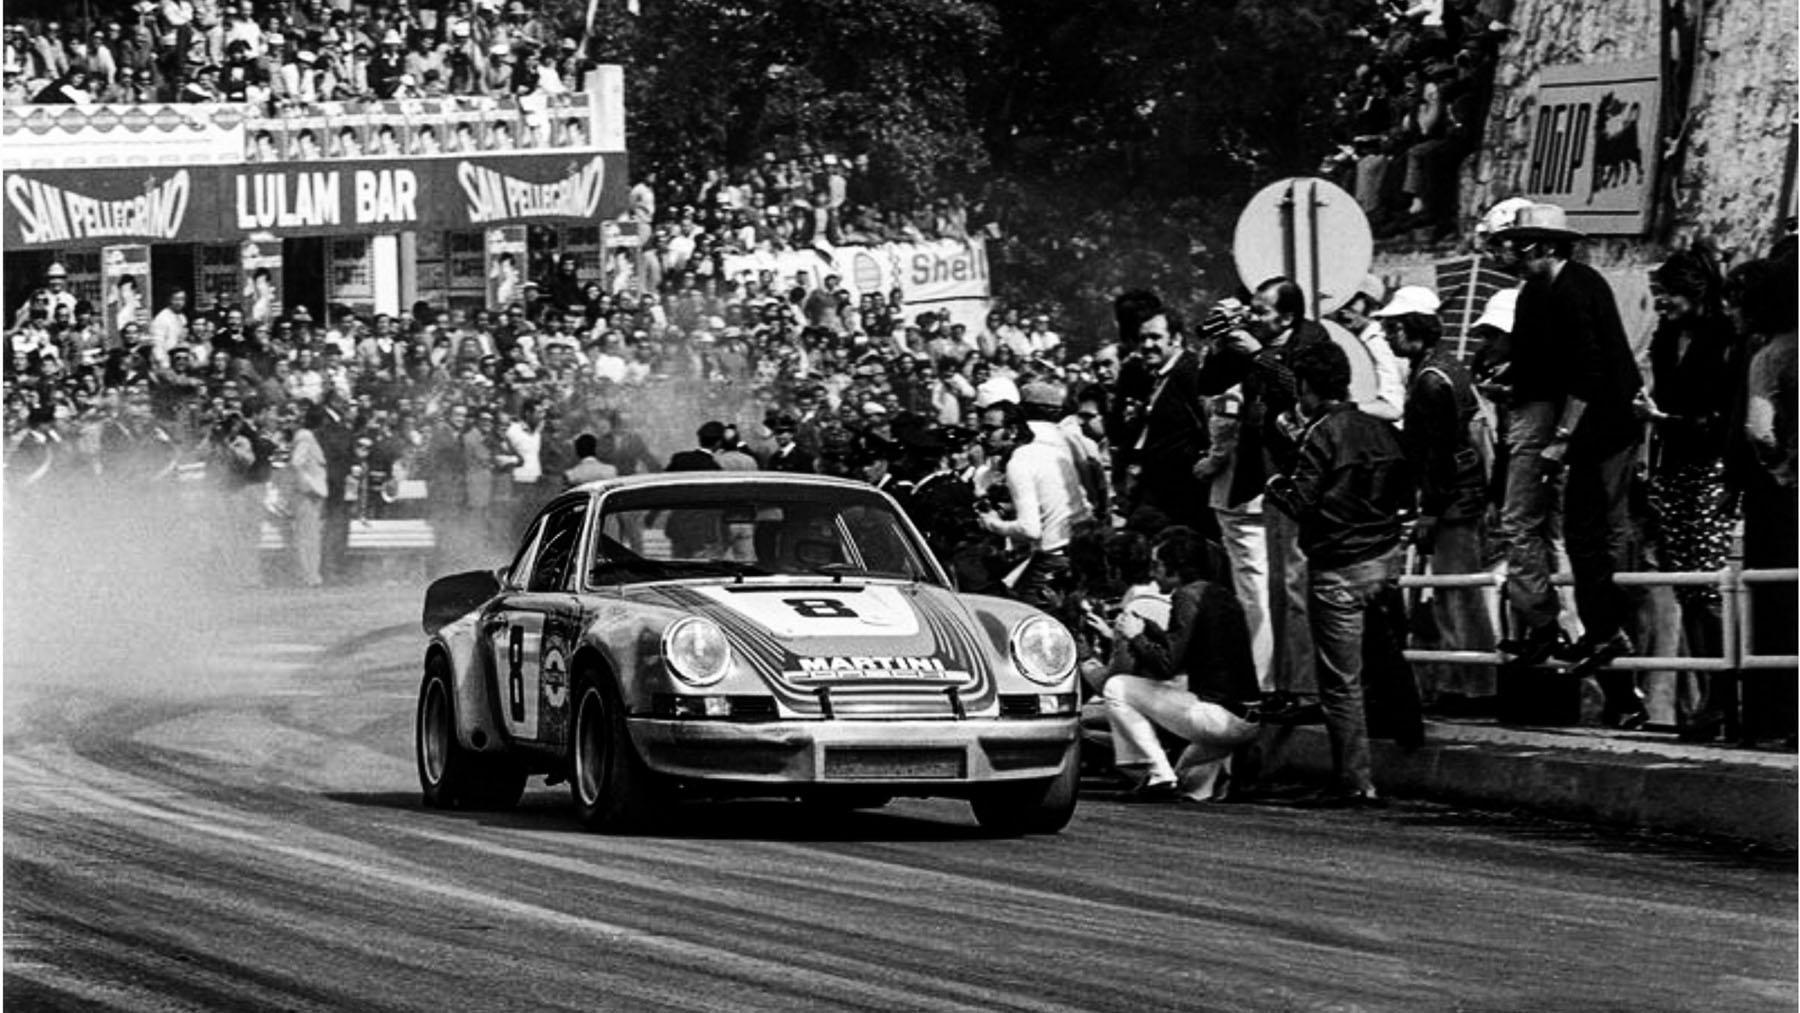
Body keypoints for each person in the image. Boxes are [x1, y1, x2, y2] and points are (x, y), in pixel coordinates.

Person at [1494, 203, 1647, 727]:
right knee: (1583, 540)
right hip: (1587, 430)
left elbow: (1588, 370)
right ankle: (1602, 636)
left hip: (1605, 428)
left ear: (1546, 247)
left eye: (1523, 246)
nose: (1515, 255)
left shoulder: (1577, 288)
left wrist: (1560, 438)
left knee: (1596, 536)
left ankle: (1608, 636)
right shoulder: (1541, 292)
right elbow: (1548, 363)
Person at [1265, 340, 1414, 806]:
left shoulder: (1321, 434)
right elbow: (1405, 492)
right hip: (1384, 560)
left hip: (1338, 570)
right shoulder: (1381, 429)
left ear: (1306, 387)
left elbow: (1300, 502)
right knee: (1386, 657)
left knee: (1341, 684)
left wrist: (1274, 483)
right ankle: (1407, 729)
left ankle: (1355, 780)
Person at [1384, 285, 1497, 707]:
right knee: (1451, 592)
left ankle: (1477, 686)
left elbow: (1439, 453)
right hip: (1456, 495)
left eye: (1394, 327)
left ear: (1413, 327)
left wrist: (1430, 509)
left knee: (1459, 590)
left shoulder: (1433, 380)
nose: (1389, 336)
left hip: (1452, 499)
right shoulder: (1439, 369)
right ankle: (1460, 682)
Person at [1640, 247, 1737, 740]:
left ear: (1695, 292)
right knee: (1688, 587)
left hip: (1710, 462)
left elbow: (1723, 413)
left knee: (1708, 581)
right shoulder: (1664, 339)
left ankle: (1722, 696)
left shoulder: (1724, 337)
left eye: (1670, 294)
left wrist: (1666, 420)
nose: (1662, 303)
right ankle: (1706, 698)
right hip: (1673, 463)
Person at [1105, 526, 1265, 802]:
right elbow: (1190, 650)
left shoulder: (1187, 596)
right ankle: (1212, 777)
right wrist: (1150, 630)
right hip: (1246, 718)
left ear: (1176, 569)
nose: (1153, 573)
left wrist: (1135, 635)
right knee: (1188, 785)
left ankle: (1157, 774)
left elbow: (1166, 665)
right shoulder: (1221, 595)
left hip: (1218, 718)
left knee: (1117, 687)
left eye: (1157, 565)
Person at [976, 400, 1093, 612]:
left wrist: (992, 523)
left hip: (1053, 558)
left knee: (1023, 617)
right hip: (1079, 551)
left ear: (1012, 431)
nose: (982, 436)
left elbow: (1030, 529)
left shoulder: (1018, 464)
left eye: (990, 429)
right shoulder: (1049, 452)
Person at [289, 403, 329, 588]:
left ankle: (312, 574)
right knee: (307, 536)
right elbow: (296, 463)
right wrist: (308, 485)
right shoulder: (305, 437)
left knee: (312, 535)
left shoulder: (308, 436)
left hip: (312, 494)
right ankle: (308, 575)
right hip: (307, 494)